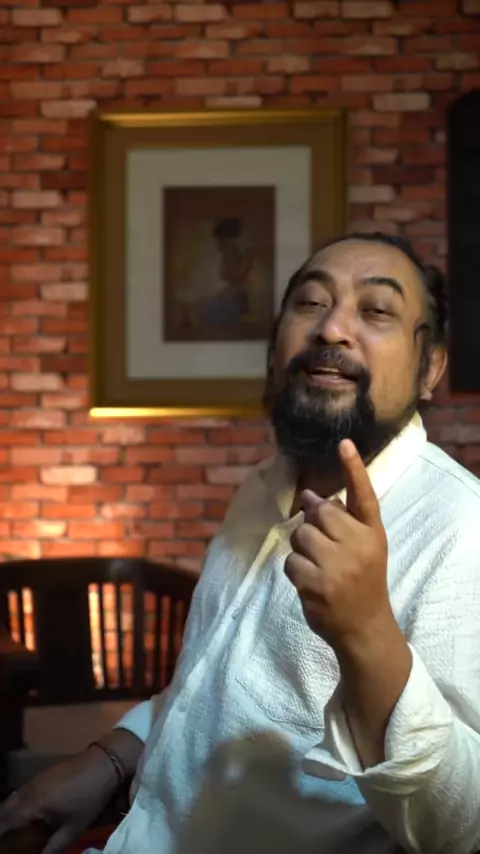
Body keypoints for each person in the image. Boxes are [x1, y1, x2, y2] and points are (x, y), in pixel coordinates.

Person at [2, 232, 480, 854]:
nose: (332, 328)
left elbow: (463, 825)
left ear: (430, 368)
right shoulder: (260, 489)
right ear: (275, 351)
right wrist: (111, 758)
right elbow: (210, 688)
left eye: (376, 309)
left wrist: (367, 634)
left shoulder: (461, 528)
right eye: (311, 303)